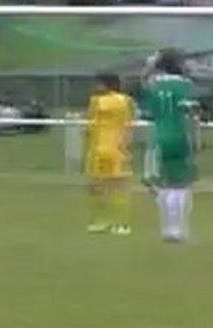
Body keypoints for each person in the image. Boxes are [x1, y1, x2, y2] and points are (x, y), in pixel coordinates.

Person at [140, 48, 198, 243]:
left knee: (165, 185)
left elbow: (148, 112)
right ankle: (178, 230)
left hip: (159, 137)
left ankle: (167, 228)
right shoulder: (185, 85)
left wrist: (150, 65)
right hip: (179, 135)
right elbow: (191, 112)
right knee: (181, 186)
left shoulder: (153, 84)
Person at [84, 73, 134, 235]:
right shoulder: (125, 101)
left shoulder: (96, 101)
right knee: (116, 186)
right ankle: (118, 223)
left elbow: (90, 124)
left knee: (99, 186)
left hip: (101, 148)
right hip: (115, 148)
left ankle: (103, 221)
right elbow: (128, 125)